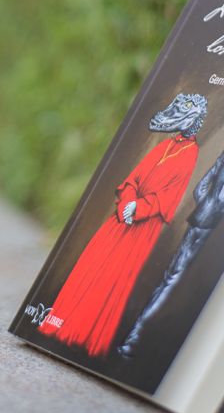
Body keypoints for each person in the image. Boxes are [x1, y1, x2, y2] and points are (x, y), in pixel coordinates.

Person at [37, 93, 206, 358]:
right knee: (92, 264)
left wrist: (139, 208)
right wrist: (127, 201)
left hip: (141, 229)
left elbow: (168, 198)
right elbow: (134, 178)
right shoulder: (165, 146)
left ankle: (82, 337)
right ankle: (59, 325)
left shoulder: (190, 153)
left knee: (113, 275)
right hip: (120, 219)